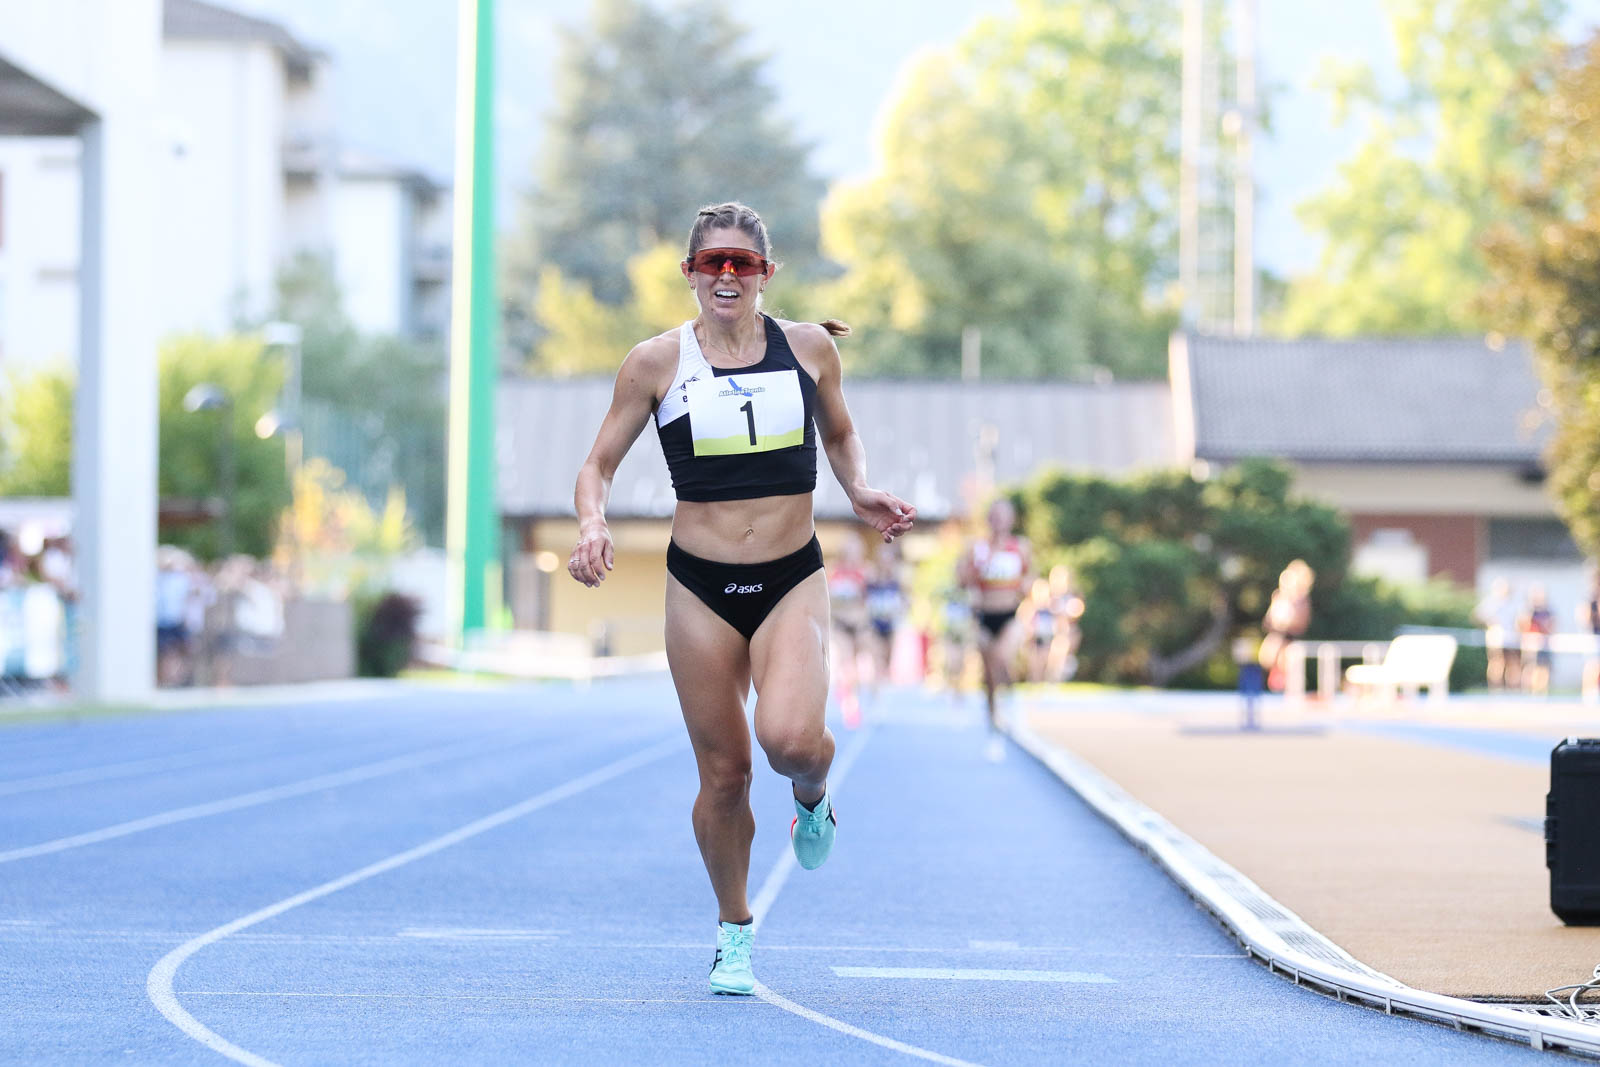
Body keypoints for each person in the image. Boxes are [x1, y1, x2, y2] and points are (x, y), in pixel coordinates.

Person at [567, 202, 915, 997]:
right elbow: (597, 465)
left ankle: (814, 795)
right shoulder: (655, 363)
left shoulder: (810, 348)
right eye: (712, 262)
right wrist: (592, 522)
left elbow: (840, 433)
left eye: (743, 263)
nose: (727, 274)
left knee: (791, 741)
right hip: (700, 588)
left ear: (766, 274)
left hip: (791, 576)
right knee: (725, 775)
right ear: (690, 273)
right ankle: (734, 929)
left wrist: (858, 487)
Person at [958, 498, 1030, 760]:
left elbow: (1029, 577)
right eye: (995, 515)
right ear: (989, 519)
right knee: (989, 677)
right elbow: (962, 581)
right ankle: (994, 730)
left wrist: (1024, 586)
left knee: (1001, 658)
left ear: (1011, 519)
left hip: (1009, 615)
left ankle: (1013, 702)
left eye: (1004, 515)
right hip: (983, 616)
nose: (999, 520)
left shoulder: (1020, 547)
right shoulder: (977, 548)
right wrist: (972, 570)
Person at [826, 534, 871, 728]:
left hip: (859, 625)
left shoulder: (866, 573)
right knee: (847, 663)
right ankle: (850, 703)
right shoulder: (834, 573)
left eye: (857, 552)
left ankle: (851, 691)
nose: (854, 556)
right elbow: (828, 600)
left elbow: (869, 600)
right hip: (840, 625)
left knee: (861, 664)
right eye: (851, 552)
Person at [1258, 559, 1314, 692]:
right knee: (1269, 660)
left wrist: (1286, 623)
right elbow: (1268, 622)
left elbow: (1301, 624)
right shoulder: (1278, 597)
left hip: (1289, 640)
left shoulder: (1302, 601)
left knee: (1288, 666)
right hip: (1277, 638)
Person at [863, 543, 905, 697]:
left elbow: (903, 601)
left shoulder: (896, 581)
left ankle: (883, 686)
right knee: (877, 657)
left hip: (890, 625)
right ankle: (875, 691)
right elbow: (864, 600)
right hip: (875, 624)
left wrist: (898, 611)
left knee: (887, 659)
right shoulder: (872, 580)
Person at [1474, 579, 1522, 692]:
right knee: (1497, 663)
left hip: (1512, 638)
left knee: (1513, 663)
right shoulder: (1491, 602)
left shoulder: (1513, 603)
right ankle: (1496, 689)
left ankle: (1513, 689)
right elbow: (1477, 615)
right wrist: (1490, 623)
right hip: (1496, 638)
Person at [1521, 584, 1554, 697]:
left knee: (1544, 667)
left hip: (1544, 643)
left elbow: (1552, 626)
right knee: (1531, 667)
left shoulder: (1548, 611)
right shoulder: (1528, 611)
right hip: (1532, 644)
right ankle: (1529, 691)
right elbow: (1523, 626)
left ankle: (1542, 692)